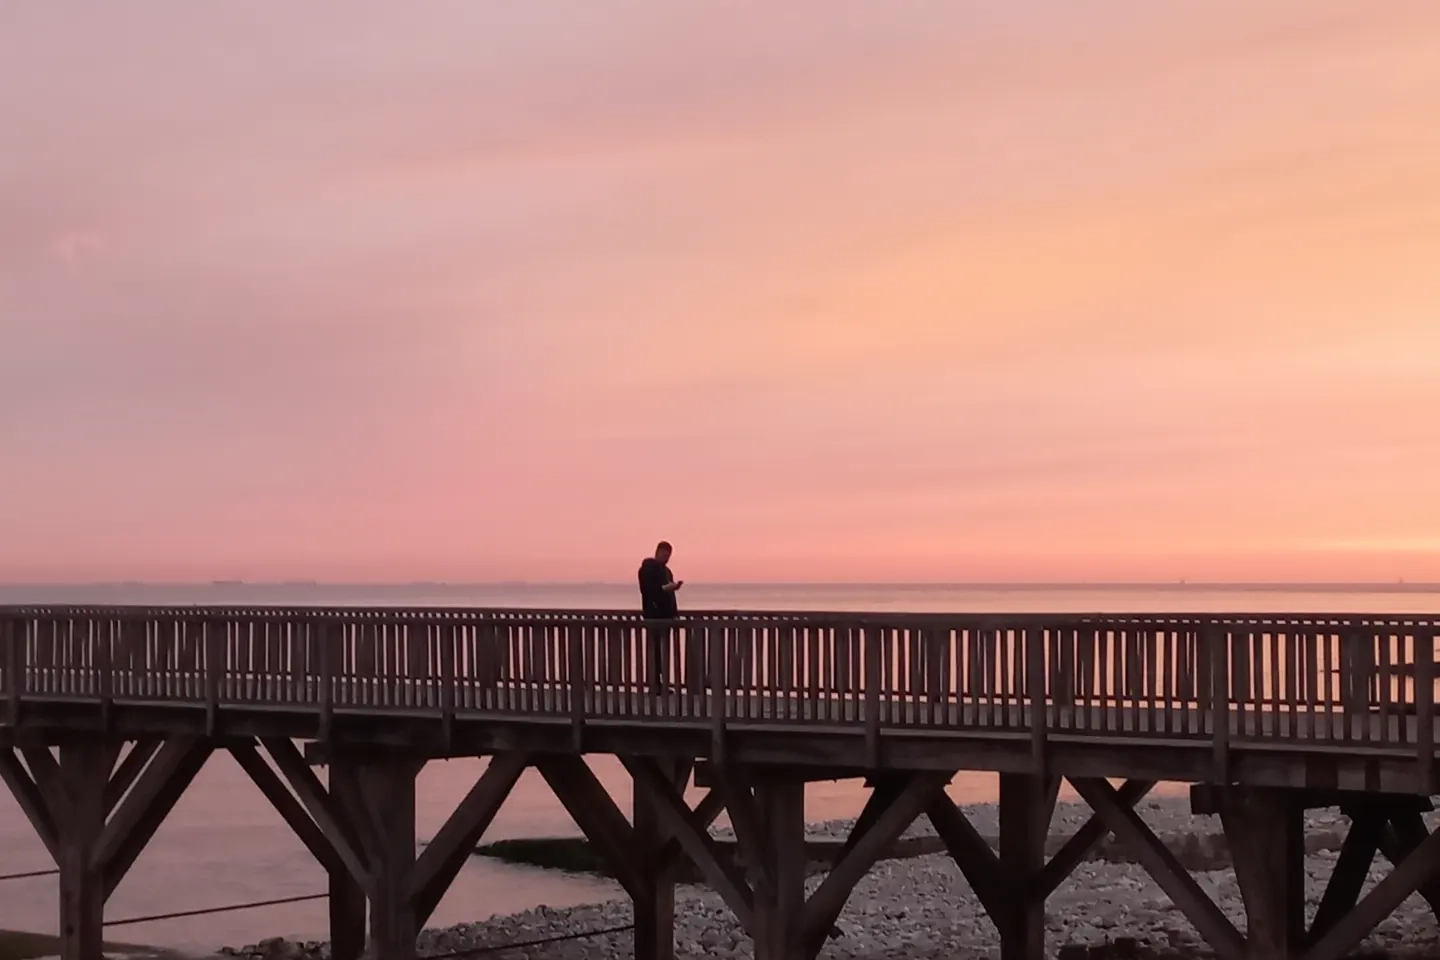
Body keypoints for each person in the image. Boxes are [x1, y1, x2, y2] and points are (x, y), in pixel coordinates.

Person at [638, 541, 682, 691]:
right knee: (654, 650)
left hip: (666, 616)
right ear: (657, 552)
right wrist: (664, 588)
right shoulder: (646, 569)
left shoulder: (667, 572)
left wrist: (674, 613)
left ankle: (662, 683)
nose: (666, 558)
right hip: (653, 615)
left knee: (663, 651)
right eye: (664, 555)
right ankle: (653, 683)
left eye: (668, 556)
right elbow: (647, 590)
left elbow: (670, 597)